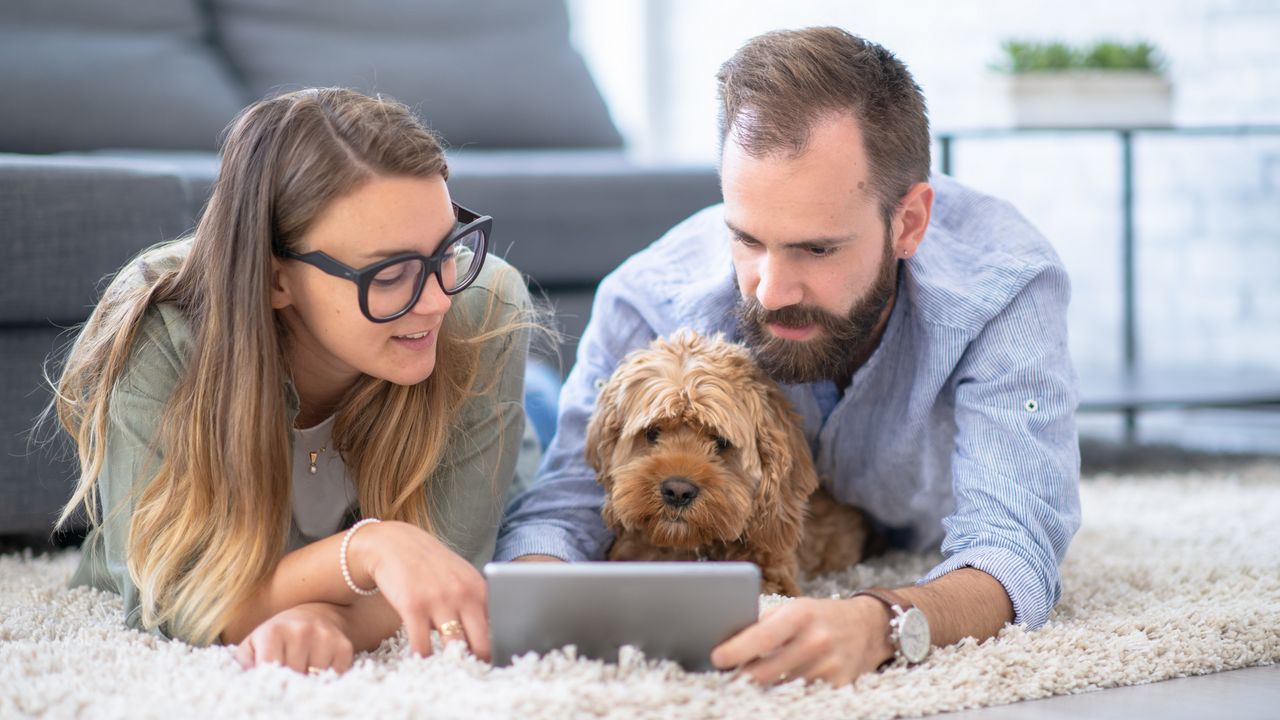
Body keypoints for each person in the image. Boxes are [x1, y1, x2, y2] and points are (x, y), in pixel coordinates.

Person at [496, 27, 1081, 687]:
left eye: (816, 249)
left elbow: (1015, 549)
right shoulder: (647, 299)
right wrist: (534, 606)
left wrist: (879, 623)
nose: (770, 291)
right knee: (537, 414)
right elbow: (567, 504)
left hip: (907, 530)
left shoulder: (1007, 288)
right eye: (746, 239)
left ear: (910, 223)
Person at [52, 88, 541, 674]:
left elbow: (448, 573)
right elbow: (168, 600)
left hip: (506, 420)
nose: (437, 298)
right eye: (391, 273)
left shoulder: (480, 305)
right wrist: (367, 549)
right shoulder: (161, 329)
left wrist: (330, 620)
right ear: (274, 279)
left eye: (447, 251)